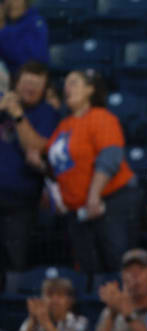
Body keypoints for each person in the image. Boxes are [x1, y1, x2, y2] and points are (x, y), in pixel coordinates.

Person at [41, 69, 138, 275]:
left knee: (116, 263)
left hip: (109, 202)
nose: (67, 88)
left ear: (90, 89)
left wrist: (94, 194)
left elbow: (110, 157)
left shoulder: (100, 117)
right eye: (65, 84)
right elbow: (58, 164)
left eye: (74, 82)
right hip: (78, 212)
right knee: (87, 270)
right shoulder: (64, 125)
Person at [0, 62, 59, 276]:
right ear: (16, 84)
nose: (30, 88)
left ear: (45, 89)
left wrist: (17, 115)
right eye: (26, 83)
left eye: (36, 84)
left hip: (20, 202)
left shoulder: (47, 113)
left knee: (15, 262)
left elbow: (36, 147)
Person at [0, 0, 49, 73]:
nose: (12, 3)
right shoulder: (6, 22)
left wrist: (2, 29)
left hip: (27, 76)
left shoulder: (35, 22)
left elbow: (36, 60)